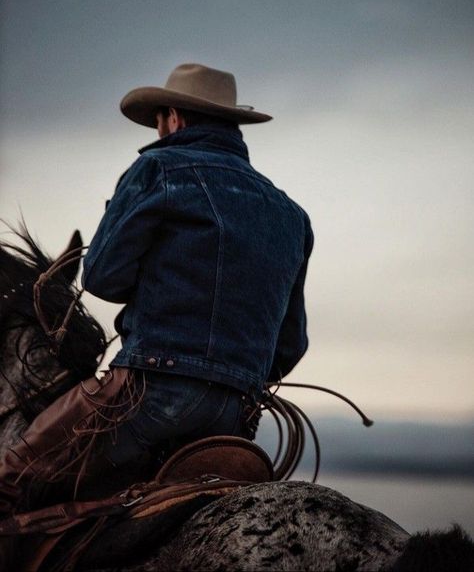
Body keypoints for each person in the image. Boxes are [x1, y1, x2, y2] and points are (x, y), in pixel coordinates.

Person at [0, 63, 313, 517]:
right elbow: (290, 346)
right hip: (234, 417)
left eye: (158, 121)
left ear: (174, 117)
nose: (159, 131)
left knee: (13, 480)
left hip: (148, 394)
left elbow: (102, 277)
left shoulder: (156, 169)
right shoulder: (291, 214)